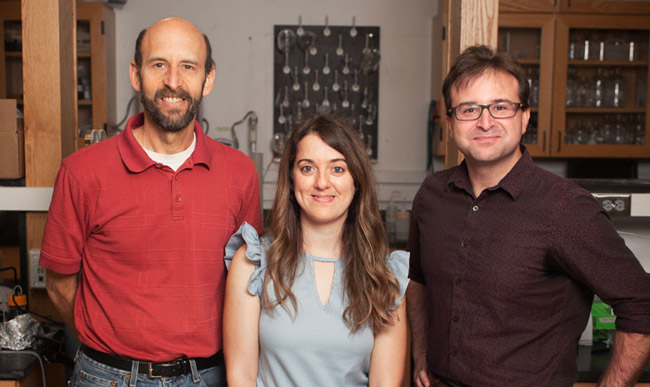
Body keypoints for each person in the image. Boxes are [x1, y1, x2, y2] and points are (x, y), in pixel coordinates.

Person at [407, 45, 650, 387]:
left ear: (524, 118)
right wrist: (420, 354)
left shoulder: (566, 209)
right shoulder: (432, 196)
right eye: (469, 109)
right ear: (450, 123)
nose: (485, 121)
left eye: (501, 107)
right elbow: (417, 282)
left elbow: (641, 304)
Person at [39, 17, 262, 386]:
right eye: (159, 64)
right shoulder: (82, 172)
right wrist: (110, 343)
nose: (173, 81)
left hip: (209, 376)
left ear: (208, 79)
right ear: (135, 74)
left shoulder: (240, 174)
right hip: (108, 376)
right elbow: (59, 283)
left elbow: (247, 283)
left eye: (187, 67)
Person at [223, 113, 409, 386]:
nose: (322, 183)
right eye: (308, 168)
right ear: (292, 178)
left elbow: (385, 383)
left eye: (337, 169)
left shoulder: (385, 275)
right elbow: (241, 376)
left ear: (356, 180)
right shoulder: (254, 262)